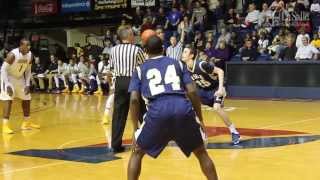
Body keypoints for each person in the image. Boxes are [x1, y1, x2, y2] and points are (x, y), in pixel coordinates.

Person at [127, 35, 218, 180]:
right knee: (201, 152)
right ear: (163, 49)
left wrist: (135, 129)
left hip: (157, 112)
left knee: (137, 152)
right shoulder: (178, 64)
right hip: (182, 109)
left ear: (145, 51)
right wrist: (200, 119)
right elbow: (193, 92)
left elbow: (133, 100)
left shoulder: (139, 69)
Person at [181, 44, 240, 145]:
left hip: (216, 88)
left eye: (185, 52)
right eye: (183, 51)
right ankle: (202, 132)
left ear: (191, 55)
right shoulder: (185, 69)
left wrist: (221, 88)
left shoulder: (201, 64)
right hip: (203, 91)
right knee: (192, 108)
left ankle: (234, 132)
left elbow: (220, 71)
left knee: (216, 107)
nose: (183, 54)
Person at [109, 26, 146, 153]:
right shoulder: (137, 50)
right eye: (133, 34)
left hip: (119, 82)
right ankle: (150, 140)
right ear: (129, 36)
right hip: (133, 81)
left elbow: (112, 68)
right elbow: (144, 67)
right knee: (142, 112)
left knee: (119, 114)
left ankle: (115, 145)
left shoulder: (112, 50)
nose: (134, 37)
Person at [1, 39, 40, 134]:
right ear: (21, 46)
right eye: (27, 45)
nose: (29, 47)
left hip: (19, 78)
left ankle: (26, 123)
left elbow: (28, 71)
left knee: (27, 98)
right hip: (8, 77)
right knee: (8, 99)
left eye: (29, 45)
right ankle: (5, 126)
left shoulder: (30, 55)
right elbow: (3, 70)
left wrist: (27, 84)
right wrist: (7, 84)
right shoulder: (12, 55)